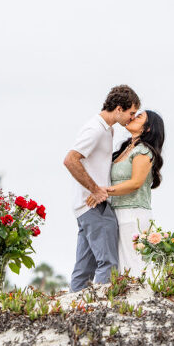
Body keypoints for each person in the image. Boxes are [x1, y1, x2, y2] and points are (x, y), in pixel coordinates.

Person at [64, 85, 141, 292]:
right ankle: (102, 311)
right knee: (108, 263)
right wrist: (96, 189)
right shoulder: (95, 129)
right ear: (118, 109)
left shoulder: (108, 129)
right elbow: (71, 160)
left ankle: (74, 312)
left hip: (86, 207)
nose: (132, 118)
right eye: (131, 113)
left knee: (84, 268)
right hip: (93, 206)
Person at [87, 110, 165, 275]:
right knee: (122, 264)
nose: (133, 117)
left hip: (133, 213)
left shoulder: (143, 150)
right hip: (118, 212)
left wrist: (103, 192)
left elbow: (135, 183)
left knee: (134, 262)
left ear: (148, 128)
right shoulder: (126, 148)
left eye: (139, 117)